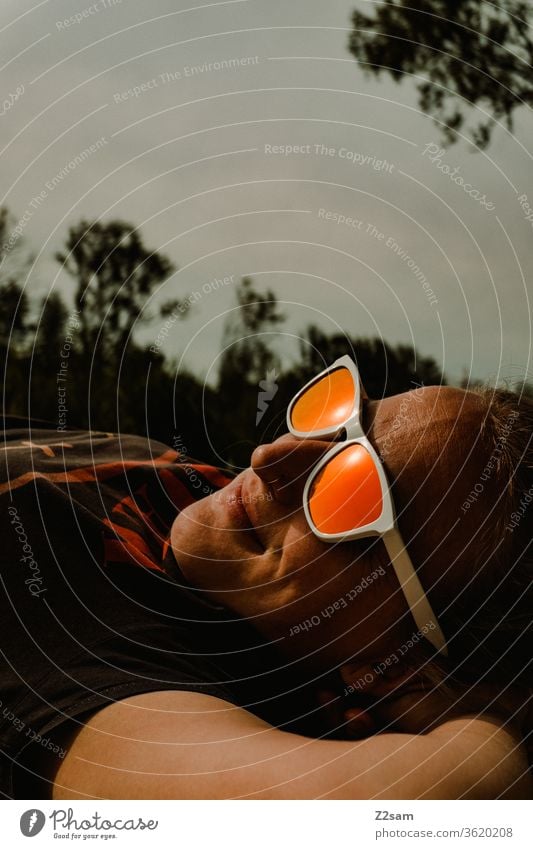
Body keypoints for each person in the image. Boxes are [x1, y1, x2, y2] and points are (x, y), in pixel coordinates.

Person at [1, 375, 531, 799]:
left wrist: (492, 722)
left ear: (398, 666)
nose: (269, 457)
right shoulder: (208, 505)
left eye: (353, 488)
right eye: (341, 417)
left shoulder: (76, 597)